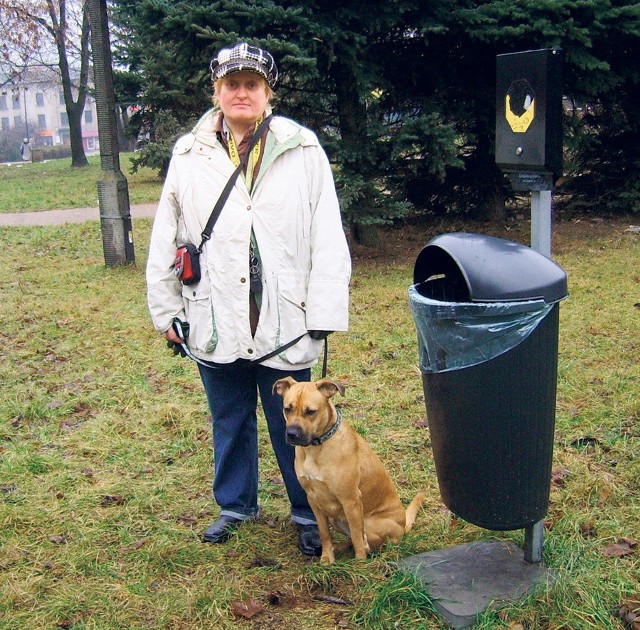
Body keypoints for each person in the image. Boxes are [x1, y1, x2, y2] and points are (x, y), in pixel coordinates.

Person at [146, 42, 351, 556]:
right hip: (212, 311)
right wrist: (167, 309)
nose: (242, 93)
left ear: (267, 93)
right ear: (216, 92)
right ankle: (235, 505)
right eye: (231, 84)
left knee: (297, 417)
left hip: (286, 315)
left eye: (252, 84)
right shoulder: (188, 154)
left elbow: (328, 234)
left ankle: (308, 511)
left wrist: (324, 310)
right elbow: (165, 234)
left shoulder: (303, 150)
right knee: (229, 416)